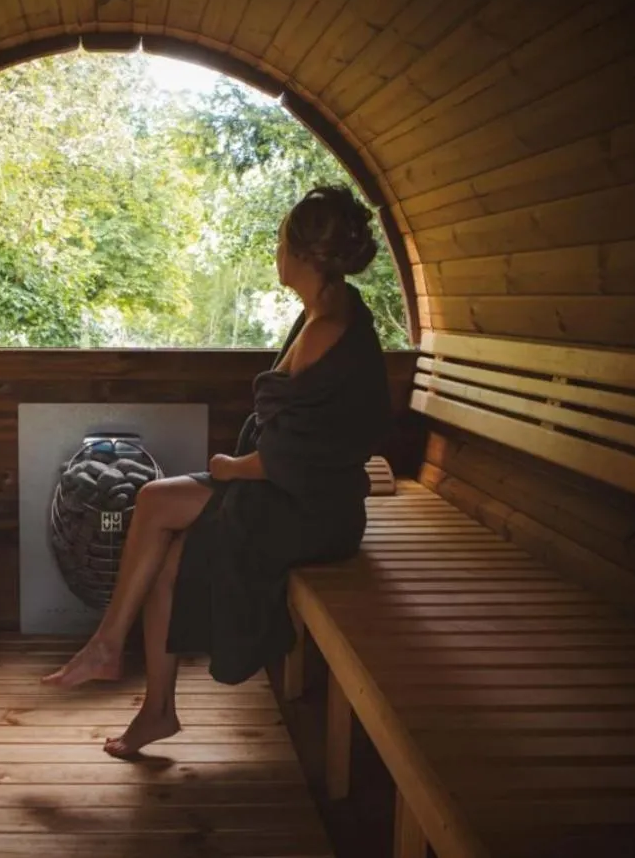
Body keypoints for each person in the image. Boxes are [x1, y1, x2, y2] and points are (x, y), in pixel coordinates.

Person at [41, 184, 393, 758]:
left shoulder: (328, 329)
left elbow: (302, 454)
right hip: (294, 492)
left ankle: (119, 663)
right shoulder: (325, 313)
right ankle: (138, 687)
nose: (275, 252)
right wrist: (239, 468)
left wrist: (232, 467)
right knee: (161, 525)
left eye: (281, 241)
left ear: (303, 253)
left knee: (163, 525)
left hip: (311, 509)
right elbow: (308, 435)